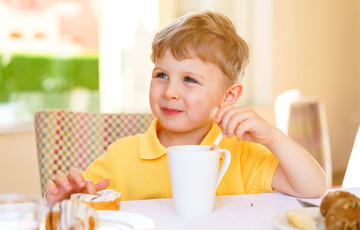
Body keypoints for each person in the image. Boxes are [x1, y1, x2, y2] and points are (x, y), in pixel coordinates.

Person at [45, 11, 327, 206]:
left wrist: (273, 137)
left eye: (189, 80)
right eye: (161, 75)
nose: (170, 92)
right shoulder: (122, 156)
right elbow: (84, 195)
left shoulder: (239, 153)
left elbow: (313, 188)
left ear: (229, 96)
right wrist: (68, 196)